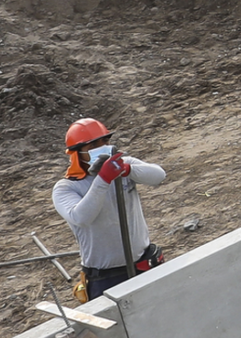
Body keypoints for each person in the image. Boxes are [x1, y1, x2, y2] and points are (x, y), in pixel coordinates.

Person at [52, 117, 170, 297]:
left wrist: (128, 170)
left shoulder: (123, 166)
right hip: (106, 278)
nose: (101, 148)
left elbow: (159, 175)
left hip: (143, 265)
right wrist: (103, 179)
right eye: (92, 145)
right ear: (76, 153)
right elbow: (81, 217)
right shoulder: (67, 187)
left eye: (105, 141)